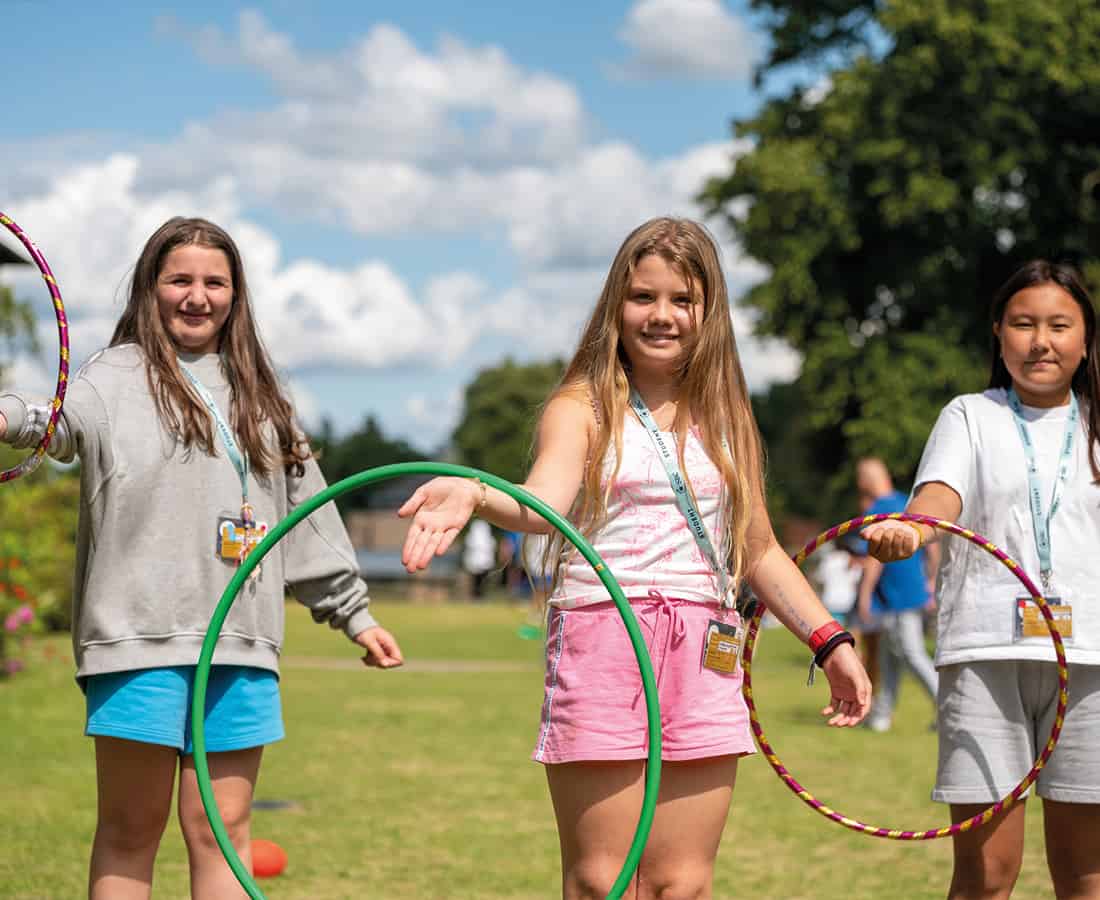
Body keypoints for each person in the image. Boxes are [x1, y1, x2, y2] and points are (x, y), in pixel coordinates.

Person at [398, 217, 871, 899]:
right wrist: (475, 492)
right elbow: (542, 504)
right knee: (603, 881)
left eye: (683, 299)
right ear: (615, 305)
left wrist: (830, 642)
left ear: (708, 312)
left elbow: (758, 548)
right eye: (643, 297)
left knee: (681, 885)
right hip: (603, 632)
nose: (663, 315)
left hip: (705, 642)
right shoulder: (581, 406)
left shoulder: (729, 411)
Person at [0, 217, 403, 900]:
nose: (197, 296)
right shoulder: (114, 378)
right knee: (131, 830)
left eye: (214, 282)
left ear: (235, 295)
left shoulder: (263, 393)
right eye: (179, 279)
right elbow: (56, 421)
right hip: (138, 644)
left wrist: (354, 614)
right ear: (149, 289)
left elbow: (305, 511)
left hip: (241, 646)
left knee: (224, 830)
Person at [863, 259, 1100, 900]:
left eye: (1059, 324)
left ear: (1086, 337)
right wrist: (911, 531)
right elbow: (940, 496)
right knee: (987, 875)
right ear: (999, 333)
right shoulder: (971, 415)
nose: (1040, 340)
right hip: (985, 658)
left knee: (1086, 875)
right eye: (1023, 323)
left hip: (1091, 665)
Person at [854, 457, 939, 732]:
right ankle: (881, 715)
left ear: (866, 481)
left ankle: (947, 707)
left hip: (897, 597)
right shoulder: (908, 502)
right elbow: (933, 544)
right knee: (890, 657)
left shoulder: (876, 510)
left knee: (912, 654)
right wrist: (932, 579)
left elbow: (873, 561)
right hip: (910, 592)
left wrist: (864, 595)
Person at [462, 518, 496, 599]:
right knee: (476, 580)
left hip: (482, 562)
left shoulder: (484, 537)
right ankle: (476, 594)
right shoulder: (473, 537)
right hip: (477, 562)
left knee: (481, 580)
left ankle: (479, 594)